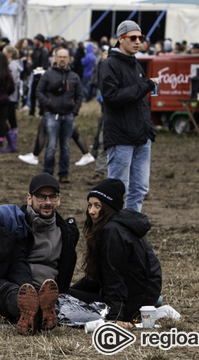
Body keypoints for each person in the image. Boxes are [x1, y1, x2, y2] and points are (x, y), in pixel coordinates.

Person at [0, 174, 79, 335]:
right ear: (29, 198)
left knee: (43, 303)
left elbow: (67, 267)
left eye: (52, 197)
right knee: (12, 293)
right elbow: (14, 263)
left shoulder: (66, 232)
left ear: (59, 199)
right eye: (41, 197)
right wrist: (28, 290)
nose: (47, 202)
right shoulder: (16, 223)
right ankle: (30, 311)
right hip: (16, 286)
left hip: (48, 292)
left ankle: (40, 312)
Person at [69, 179, 162, 325]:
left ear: (108, 207)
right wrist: (73, 290)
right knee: (68, 294)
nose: (91, 211)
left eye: (97, 206)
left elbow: (114, 276)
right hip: (141, 296)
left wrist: (116, 316)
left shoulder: (112, 232)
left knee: (63, 300)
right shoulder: (120, 226)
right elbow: (97, 277)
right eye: (90, 205)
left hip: (131, 302)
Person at [98, 20, 157, 212]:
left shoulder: (135, 64)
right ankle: (113, 235)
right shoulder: (109, 64)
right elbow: (112, 97)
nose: (138, 41)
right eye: (133, 37)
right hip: (121, 137)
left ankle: (131, 233)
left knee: (139, 189)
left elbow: (140, 103)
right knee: (117, 190)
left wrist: (148, 129)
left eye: (141, 37)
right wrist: (145, 86)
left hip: (141, 137)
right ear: (121, 39)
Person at [37, 47, 83, 184]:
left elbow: (80, 95)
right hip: (52, 115)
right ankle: (47, 174)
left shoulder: (74, 77)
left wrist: (75, 111)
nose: (62, 59)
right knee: (51, 146)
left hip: (68, 116)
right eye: (60, 57)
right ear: (55, 58)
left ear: (69, 59)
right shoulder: (48, 75)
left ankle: (64, 173)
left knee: (66, 146)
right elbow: (39, 91)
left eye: (65, 57)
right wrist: (47, 103)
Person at [3, 45, 22, 153]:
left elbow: (12, 82)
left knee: (4, 118)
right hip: (12, 96)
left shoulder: (12, 66)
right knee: (12, 118)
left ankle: (11, 142)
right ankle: (12, 142)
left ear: (9, 54)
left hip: (10, 96)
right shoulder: (14, 65)